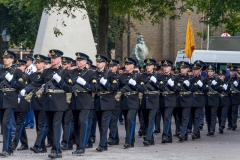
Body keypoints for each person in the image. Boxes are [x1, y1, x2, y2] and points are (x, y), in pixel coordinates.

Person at [21, 49, 72, 158]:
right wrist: (26, 89)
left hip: (59, 103)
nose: (52, 60)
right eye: (51, 58)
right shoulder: (46, 72)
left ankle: (55, 149)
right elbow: (36, 83)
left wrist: (60, 81)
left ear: (59, 59)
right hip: (48, 103)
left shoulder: (65, 72)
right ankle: (57, 150)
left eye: (55, 58)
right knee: (51, 127)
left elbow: (70, 88)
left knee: (56, 126)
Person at [70, 52, 97, 155]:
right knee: (76, 124)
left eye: (80, 60)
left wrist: (85, 83)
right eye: (77, 60)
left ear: (85, 62)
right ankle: (78, 146)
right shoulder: (72, 73)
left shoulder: (91, 74)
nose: (78, 61)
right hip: (75, 101)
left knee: (82, 123)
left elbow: (94, 88)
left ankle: (82, 146)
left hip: (85, 101)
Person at [0, 50, 25, 157]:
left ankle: (5, 148)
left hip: (10, 100)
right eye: (4, 57)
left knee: (6, 123)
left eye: (7, 58)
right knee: (4, 124)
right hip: (1, 99)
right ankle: (9, 147)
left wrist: (12, 81)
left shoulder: (17, 71)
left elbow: (21, 86)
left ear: (12, 59)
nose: (5, 59)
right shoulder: (0, 70)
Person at [94, 54, 118, 151]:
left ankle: (102, 144)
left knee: (104, 124)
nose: (98, 63)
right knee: (100, 124)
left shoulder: (110, 74)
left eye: (100, 62)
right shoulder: (94, 74)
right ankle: (104, 144)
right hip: (97, 101)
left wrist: (106, 84)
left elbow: (115, 88)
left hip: (107, 102)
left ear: (104, 63)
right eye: (97, 61)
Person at [27, 54, 48, 153]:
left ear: (44, 63)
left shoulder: (46, 75)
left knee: (42, 125)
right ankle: (42, 147)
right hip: (35, 102)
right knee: (39, 126)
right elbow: (31, 84)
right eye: (36, 63)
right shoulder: (32, 75)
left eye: (39, 63)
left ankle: (37, 145)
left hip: (44, 102)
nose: (37, 64)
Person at [118, 57, 140, 148]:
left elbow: (142, 89)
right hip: (124, 101)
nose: (126, 66)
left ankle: (129, 141)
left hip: (133, 101)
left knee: (130, 119)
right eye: (125, 64)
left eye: (128, 64)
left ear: (133, 66)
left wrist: (135, 84)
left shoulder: (138, 76)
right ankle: (131, 137)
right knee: (127, 122)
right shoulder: (122, 76)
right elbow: (118, 88)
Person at [139, 58, 160, 146]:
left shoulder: (158, 76)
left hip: (154, 100)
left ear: (153, 66)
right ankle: (151, 138)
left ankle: (147, 139)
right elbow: (139, 87)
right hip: (145, 100)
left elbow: (161, 87)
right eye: (147, 65)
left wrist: (156, 82)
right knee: (146, 121)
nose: (148, 67)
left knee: (151, 120)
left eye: (150, 65)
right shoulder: (142, 76)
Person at [175, 61, 197, 142]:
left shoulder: (191, 78)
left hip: (187, 99)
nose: (182, 69)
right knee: (179, 117)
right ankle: (182, 133)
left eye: (184, 68)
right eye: (181, 68)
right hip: (179, 99)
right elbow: (175, 88)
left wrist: (189, 85)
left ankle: (183, 134)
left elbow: (195, 89)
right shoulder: (177, 78)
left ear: (187, 69)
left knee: (185, 117)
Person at [11, 59, 30, 151]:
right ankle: (24, 143)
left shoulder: (27, 77)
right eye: (17, 66)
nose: (18, 68)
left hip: (23, 103)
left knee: (18, 124)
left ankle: (14, 143)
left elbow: (25, 88)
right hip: (15, 102)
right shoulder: (14, 76)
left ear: (24, 67)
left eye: (20, 66)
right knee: (20, 124)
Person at [158, 60, 180, 143]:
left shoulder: (175, 78)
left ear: (170, 68)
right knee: (165, 119)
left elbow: (179, 90)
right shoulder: (160, 77)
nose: (165, 68)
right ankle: (169, 137)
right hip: (162, 100)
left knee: (167, 117)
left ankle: (165, 136)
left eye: (167, 67)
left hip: (170, 100)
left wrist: (173, 85)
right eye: (164, 67)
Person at [191, 63, 208, 140]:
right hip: (192, 100)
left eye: (196, 69)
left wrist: (202, 86)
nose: (195, 71)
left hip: (200, 100)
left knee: (197, 117)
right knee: (193, 117)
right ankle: (197, 134)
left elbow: (206, 90)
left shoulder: (203, 78)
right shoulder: (190, 78)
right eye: (194, 69)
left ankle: (194, 132)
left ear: (199, 70)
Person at [60, 56, 74, 150]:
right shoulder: (60, 73)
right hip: (61, 101)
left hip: (71, 101)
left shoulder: (73, 73)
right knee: (63, 122)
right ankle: (68, 142)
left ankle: (66, 142)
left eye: (65, 64)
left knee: (67, 122)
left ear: (69, 64)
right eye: (63, 63)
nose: (64, 65)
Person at [204, 65, 222, 136]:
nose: (210, 73)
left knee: (213, 115)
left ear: (214, 72)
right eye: (209, 71)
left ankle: (212, 129)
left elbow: (220, 90)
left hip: (214, 99)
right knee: (208, 116)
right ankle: (209, 130)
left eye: (211, 71)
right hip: (207, 100)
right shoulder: (205, 79)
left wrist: (216, 85)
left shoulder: (218, 80)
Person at [107, 59, 121, 146]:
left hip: (117, 101)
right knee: (110, 121)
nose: (111, 68)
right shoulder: (107, 76)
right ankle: (115, 138)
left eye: (113, 66)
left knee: (113, 120)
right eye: (110, 66)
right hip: (108, 100)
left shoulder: (120, 76)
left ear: (117, 67)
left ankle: (112, 137)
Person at [216, 69, 231, 134]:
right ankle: (220, 126)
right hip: (218, 101)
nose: (220, 77)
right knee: (219, 115)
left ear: (224, 76)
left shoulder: (227, 83)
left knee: (223, 114)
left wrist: (226, 89)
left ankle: (222, 126)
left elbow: (229, 92)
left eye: (221, 75)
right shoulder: (216, 82)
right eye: (219, 75)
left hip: (225, 101)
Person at [227, 66, 240, 130]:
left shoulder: (238, 79)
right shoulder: (227, 78)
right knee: (229, 111)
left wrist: (238, 85)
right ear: (229, 71)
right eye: (231, 71)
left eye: (233, 71)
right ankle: (229, 124)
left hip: (235, 97)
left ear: (235, 72)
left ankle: (234, 123)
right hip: (228, 97)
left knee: (234, 111)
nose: (232, 72)